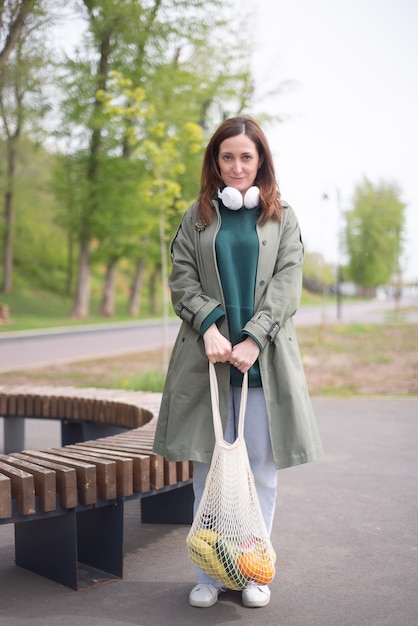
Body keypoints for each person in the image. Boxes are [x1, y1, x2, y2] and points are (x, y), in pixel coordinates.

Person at [153, 115, 323, 609]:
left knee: (261, 473)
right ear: (215, 161)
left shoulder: (283, 217)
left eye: (246, 156)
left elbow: (289, 284)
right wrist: (208, 327)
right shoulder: (198, 215)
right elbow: (181, 277)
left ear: (261, 161)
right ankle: (209, 572)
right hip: (206, 363)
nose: (236, 166)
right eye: (227, 156)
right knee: (209, 472)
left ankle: (253, 569)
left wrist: (253, 338)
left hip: (262, 366)